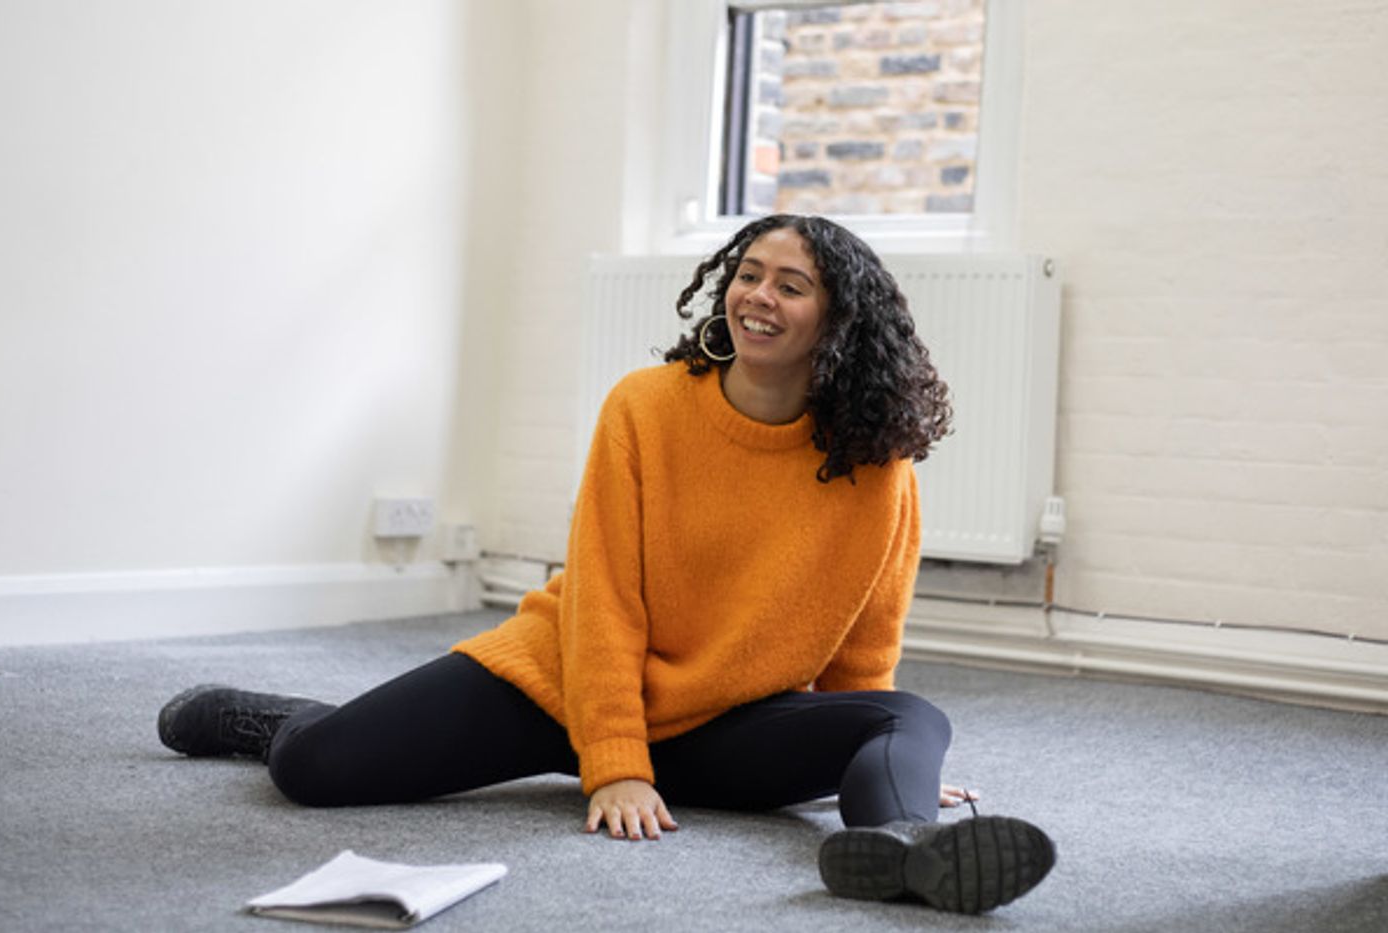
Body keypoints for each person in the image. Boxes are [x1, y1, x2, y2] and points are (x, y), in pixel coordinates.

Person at [157, 214, 1055, 915]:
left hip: (723, 722)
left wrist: (875, 753)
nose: (758, 298)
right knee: (318, 771)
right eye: (748, 275)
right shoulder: (647, 409)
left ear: (840, 318)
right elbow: (605, 600)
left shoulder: (877, 460)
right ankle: (269, 718)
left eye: (791, 285)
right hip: (564, 683)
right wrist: (616, 758)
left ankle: (908, 850)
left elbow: (866, 635)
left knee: (907, 716)